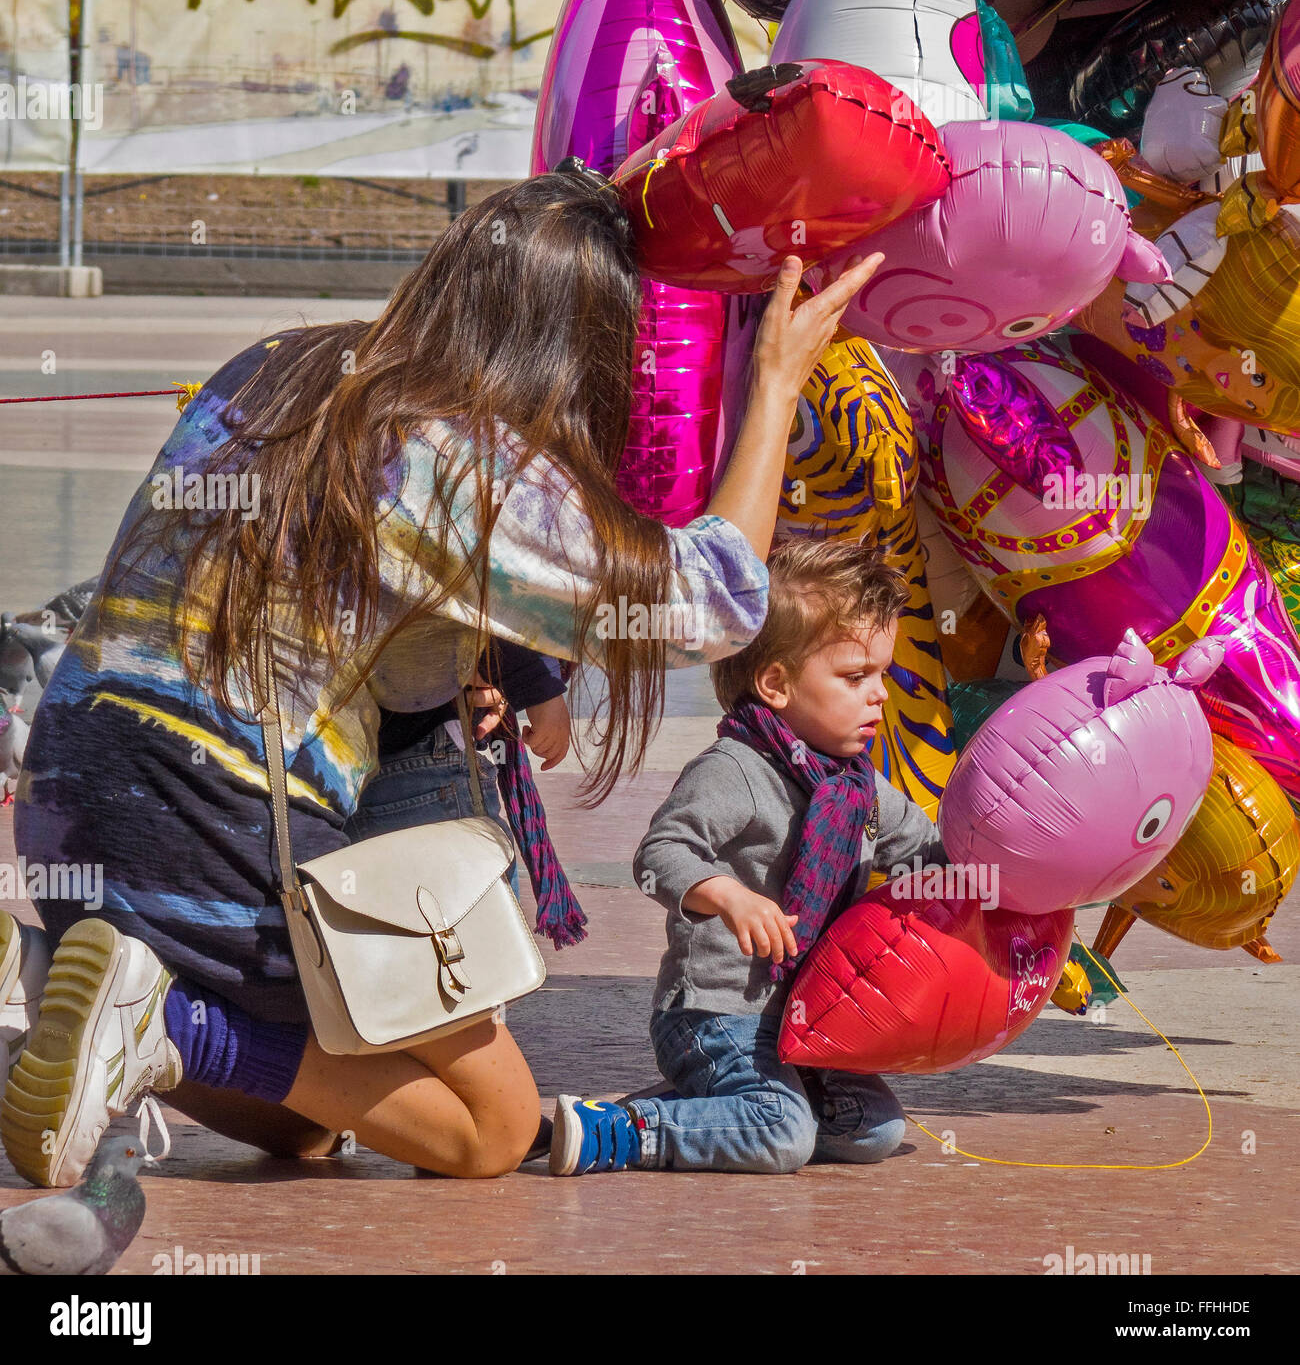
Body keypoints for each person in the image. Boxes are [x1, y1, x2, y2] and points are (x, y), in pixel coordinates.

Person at [0, 165, 884, 1187]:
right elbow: (716, 602)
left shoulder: (279, 362)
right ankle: (171, 1020)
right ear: (577, 344)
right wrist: (774, 382)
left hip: (67, 811)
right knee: (484, 1127)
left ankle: (42, 980)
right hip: (213, 841)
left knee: (310, 1125)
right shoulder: (456, 458)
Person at [550, 540, 947, 1176]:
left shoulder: (856, 787)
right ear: (776, 684)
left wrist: (1007, 862)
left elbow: (933, 859)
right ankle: (620, 1135)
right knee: (785, 1136)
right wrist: (726, 894)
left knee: (872, 1132)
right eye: (854, 677)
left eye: (883, 675)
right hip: (716, 1014)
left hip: (810, 1017)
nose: (879, 696)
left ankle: (680, 1113)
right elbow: (660, 852)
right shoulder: (734, 769)